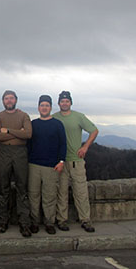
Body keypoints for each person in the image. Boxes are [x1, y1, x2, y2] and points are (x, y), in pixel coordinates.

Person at [53, 91, 98, 233]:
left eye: (67, 101)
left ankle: (85, 220)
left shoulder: (78, 116)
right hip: (60, 161)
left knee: (81, 192)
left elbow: (94, 131)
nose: (64, 103)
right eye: (62, 101)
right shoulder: (54, 118)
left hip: (76, 161)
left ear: (70, 103)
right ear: (58, 103)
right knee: (61, 192)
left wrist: (85, 146)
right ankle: (61, 220)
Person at [0, 90, 33, 237]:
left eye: (11, 98)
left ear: (16, 100)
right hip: (3, 152)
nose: (9, 101)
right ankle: (3, 221)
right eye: (6, 99)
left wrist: (8, 130)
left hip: (20, 152)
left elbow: (28, 134)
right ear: (3, 101)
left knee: (22, 188)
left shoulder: (24, 115)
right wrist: (18, 132)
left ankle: (24, 223)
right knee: (3, 188)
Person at [28, 95, 67, 235]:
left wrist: (61, 161)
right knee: (33, 195)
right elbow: (28, 145)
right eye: (42, 105)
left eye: (47, 105)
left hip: (52, 166)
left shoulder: (57, 124)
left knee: (49, 196)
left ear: (50, 107)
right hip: (33, 165)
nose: (44, 108)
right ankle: (34, 222)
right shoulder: (33, 124)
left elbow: (63, 144)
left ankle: (49, 223)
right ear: (38, 108)